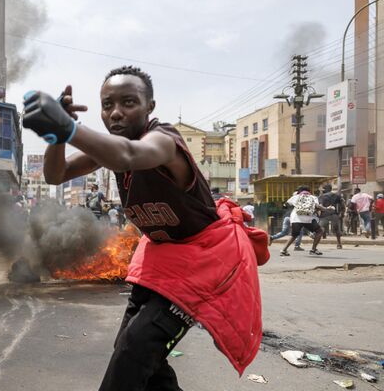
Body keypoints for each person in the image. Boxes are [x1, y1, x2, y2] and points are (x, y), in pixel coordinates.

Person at [22, 65, 267, 389]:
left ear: (149, 107)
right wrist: (56, 138)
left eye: (128, 102)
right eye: (107, 105)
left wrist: (68, 127)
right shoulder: (109, 148)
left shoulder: (164, 142)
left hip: (204, 262)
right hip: (163, 260)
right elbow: (56, 175)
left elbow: (128, 155)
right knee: (137, 354)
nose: (116, 113)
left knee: (133, 352)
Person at [280, 186, 332, 256]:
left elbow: (285, 205)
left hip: (296, 218)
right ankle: (313, 249)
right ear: (309, 191)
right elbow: (318, 207)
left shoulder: (295, 197)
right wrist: (326, 208)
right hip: (309, 219)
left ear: (299, 191)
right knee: (319, 231)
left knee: (294, 235)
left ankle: (283, 250)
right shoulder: (313, 197)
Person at [318, 184, 344, 249]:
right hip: (334, 214)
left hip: (325, 214)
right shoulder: (337, 196)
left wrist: (318, 214)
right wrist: (342, 213)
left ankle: (315, 244)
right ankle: (339, 243)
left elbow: (320, 206)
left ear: (325, 189)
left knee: (320, 228)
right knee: (336, 229)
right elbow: (342, 205)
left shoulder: (322, 196)